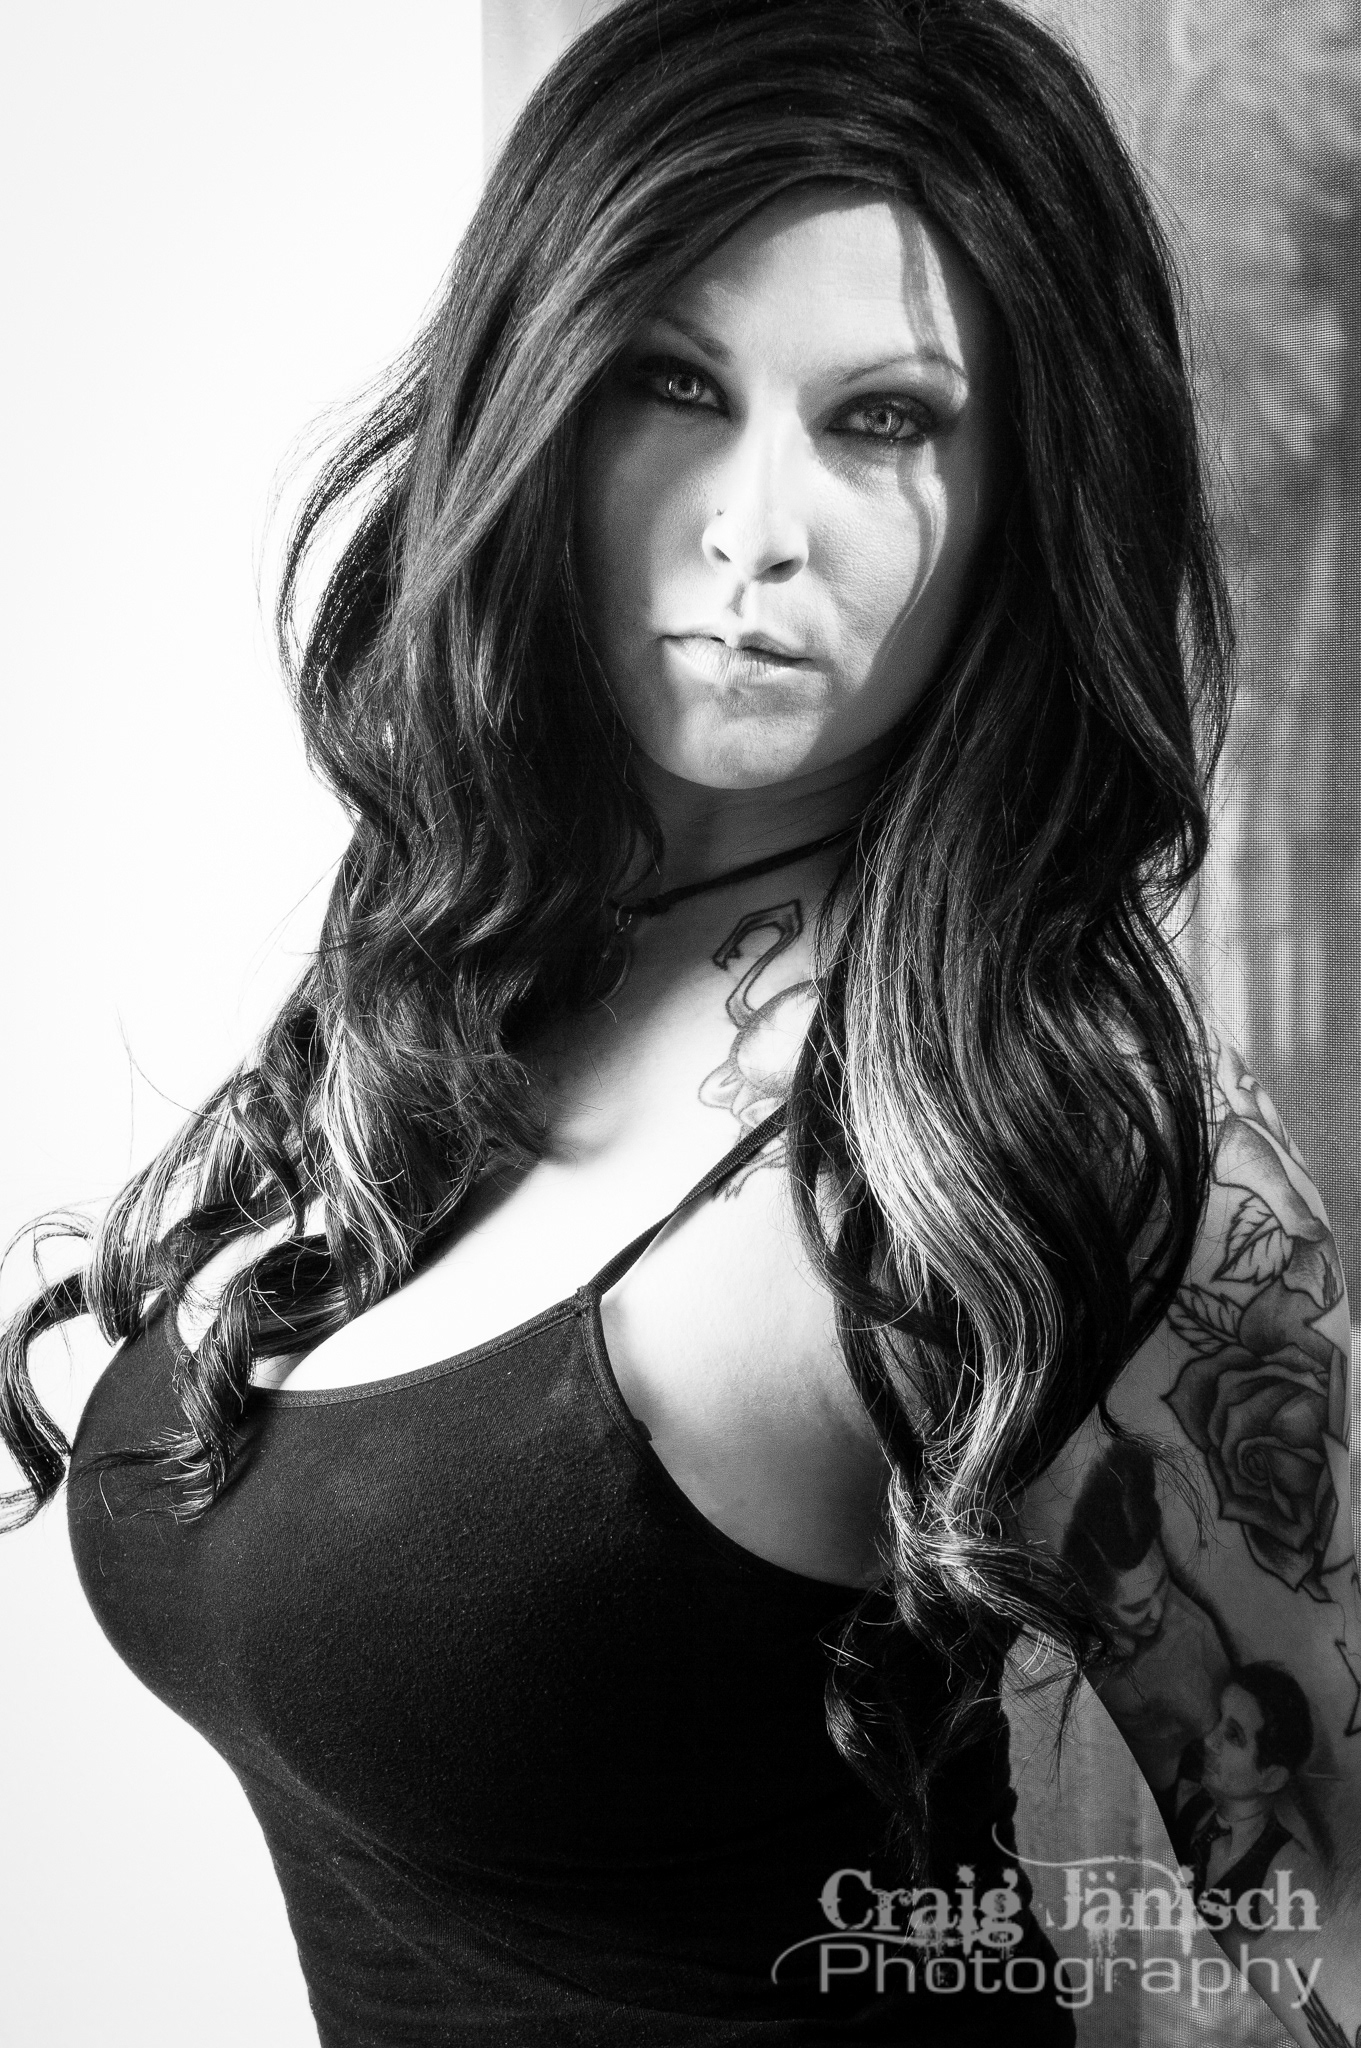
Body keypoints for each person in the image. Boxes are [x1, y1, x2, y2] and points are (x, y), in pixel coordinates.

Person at [4, 1, 1360, 2043]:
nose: (755, 527)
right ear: (537, 400)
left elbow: (1331, 1912)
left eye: (882, 418)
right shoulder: (465, 968)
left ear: (1024, 483)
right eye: (672, 379)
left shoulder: (1052, 1134)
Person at [1060, 1438, 1232, 1790]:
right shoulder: (1077, 1639)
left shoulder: (1187, 1640)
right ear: (1095, 1606)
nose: (1158, 1611)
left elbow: (1219, 1767)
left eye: (1163, 1584)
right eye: (1137, 1606)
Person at [1165, 1664, 1314, 1919]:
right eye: (1218, 1719)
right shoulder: (1191, 1804)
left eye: (1233, 1736)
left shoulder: (1285, 1869)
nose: (1210, 1740)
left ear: (1272, 1778)